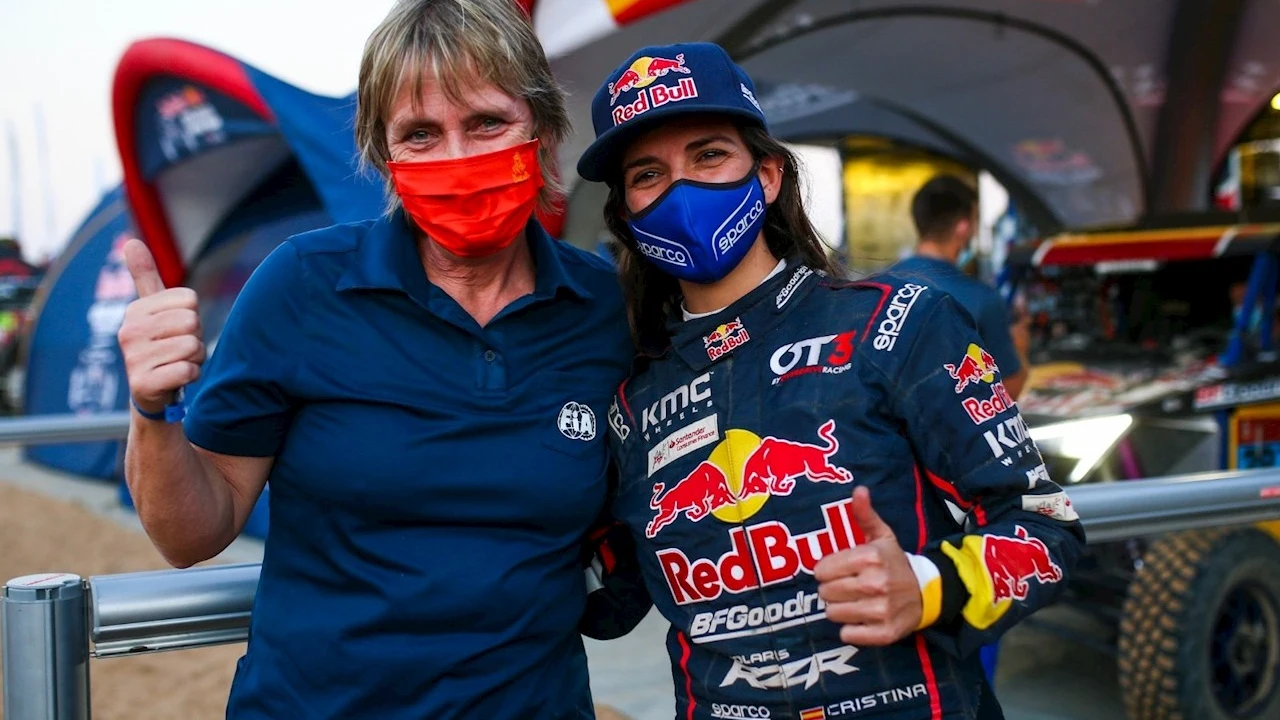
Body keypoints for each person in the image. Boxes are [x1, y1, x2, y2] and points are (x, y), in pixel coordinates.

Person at [115, 1, 639, 718]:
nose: (458, 158)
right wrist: (153, 408)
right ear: (384, 156)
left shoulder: (605, 307)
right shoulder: (301, 284)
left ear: (544, 130)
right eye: (420, 134)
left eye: (486, 122)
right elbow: (190, 535)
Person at [577, 42, 1086, 719]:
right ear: (626, 216)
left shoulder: (899, 325)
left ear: (766, 176)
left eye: (708, 155)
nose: (681, 190)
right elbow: (608, 602)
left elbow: (1047, 530)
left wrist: (929, 584)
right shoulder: (629, 405)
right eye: (648, 174)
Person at [892, 175, 1031, 399]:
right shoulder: (982, 299)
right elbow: (1007, 391)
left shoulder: (876, 285)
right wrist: (1020, 349)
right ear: (963, 227)